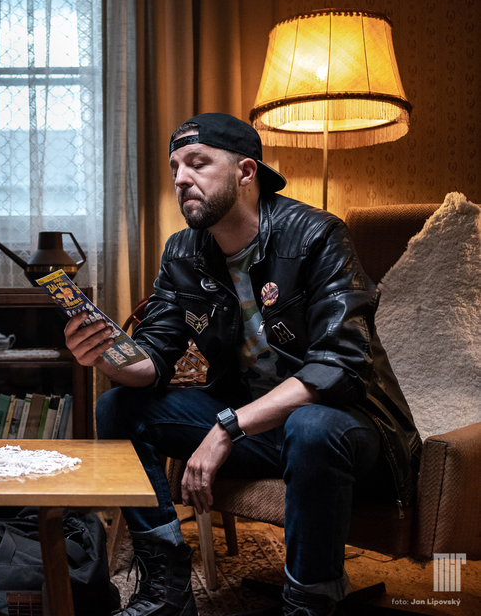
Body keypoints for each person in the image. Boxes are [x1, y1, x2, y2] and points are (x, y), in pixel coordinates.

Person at [65, 113, 420, 616]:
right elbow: (154, 361)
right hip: (258, 430)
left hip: (351, 432)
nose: (181, 178)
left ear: (246, 171)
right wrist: (105, 356)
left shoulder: (317, 235)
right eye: (175, 167)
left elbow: (339, 366)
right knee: (117, 407)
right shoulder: (182, 252)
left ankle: (310, 602)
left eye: (197, 163)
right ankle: (166, 586)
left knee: (311, 426)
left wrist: (227, 427)